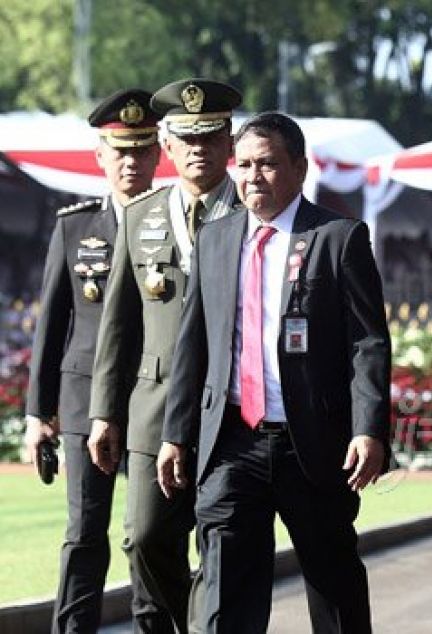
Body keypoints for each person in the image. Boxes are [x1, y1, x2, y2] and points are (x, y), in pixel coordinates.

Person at [156, 111, 390, 632]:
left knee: (334, 586)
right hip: (232, 442)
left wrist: (368, 428)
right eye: (244, 165)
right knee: (225, 591)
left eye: (267, 165)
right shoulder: (215, 239)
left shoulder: (338, 237)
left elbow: (368, 342)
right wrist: (176, 435)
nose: (252, 177)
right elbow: (193, 344)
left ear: (300, 169)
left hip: (311, 444)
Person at [87, 78, 241, 632]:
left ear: (230, 142)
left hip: (228, 407)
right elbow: (118, 325)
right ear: (167, 147)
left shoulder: (251, 212)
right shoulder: (141, 216)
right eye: (187, 139)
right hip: (153, 406)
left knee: (221, 541)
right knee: (144, 536)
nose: (199, 149)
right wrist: (104, 412)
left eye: (212, 137)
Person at [23, 88, 161, 633]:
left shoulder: (175, 225)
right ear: (100, 156)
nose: (130, 161)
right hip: (81, 400)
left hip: (151, 396)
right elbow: (52, 323)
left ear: (157, 155)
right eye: (119, 150)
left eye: (141, 149)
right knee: (84, 532)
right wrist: (39, 415)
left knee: (146, 535)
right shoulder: (74, 227)